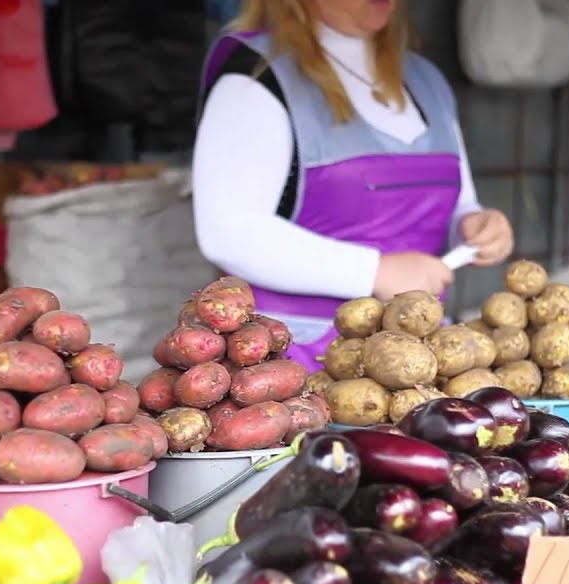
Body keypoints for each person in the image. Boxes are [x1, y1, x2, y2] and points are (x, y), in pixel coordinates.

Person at [191, 0, 515, 371]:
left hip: (414, 360)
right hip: (291, 361)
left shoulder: (427, 81)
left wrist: (474, 226)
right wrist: (376, 272)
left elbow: (460, 203)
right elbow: (228, 231)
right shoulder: (255, 77)